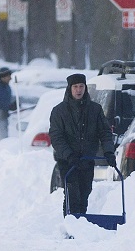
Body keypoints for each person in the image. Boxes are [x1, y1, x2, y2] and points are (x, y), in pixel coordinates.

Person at [49, 73, 116, 216]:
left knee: (85, 194)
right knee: (72, 195)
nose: (78, 90)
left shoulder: (95, 109)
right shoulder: (59, 111)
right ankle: (71, 225)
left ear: (85, 88)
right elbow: (56, 137)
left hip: (87, 159)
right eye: (75, 87)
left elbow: (104, 132)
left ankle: (81, 225)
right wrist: (69, 155)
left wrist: (109, 152)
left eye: (81, 86)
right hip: (68, 161)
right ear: (69, 89)